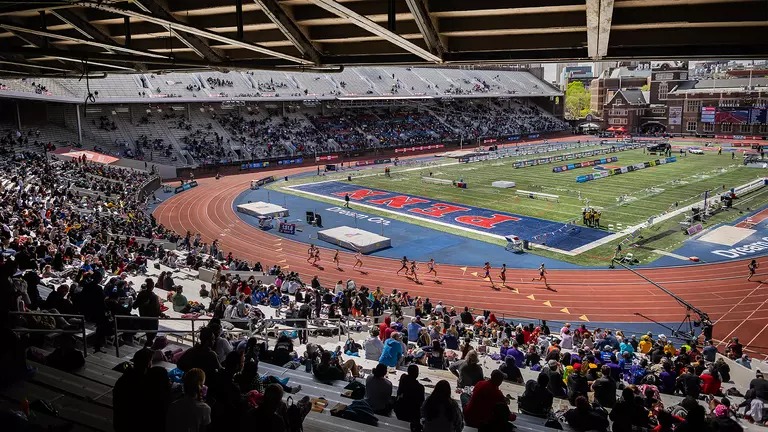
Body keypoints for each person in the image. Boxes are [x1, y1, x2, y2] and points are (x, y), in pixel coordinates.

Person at [114, 348, 153, 432]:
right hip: (134, 425)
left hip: (120, 423)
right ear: (148, 364)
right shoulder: (145, 383)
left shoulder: (123, 379)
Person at [395, 364, 425, 432]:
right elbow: (421, 402)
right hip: (412, 413)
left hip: (400, 410)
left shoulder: (403, 379)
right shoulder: (420, 387)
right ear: (417, 374)